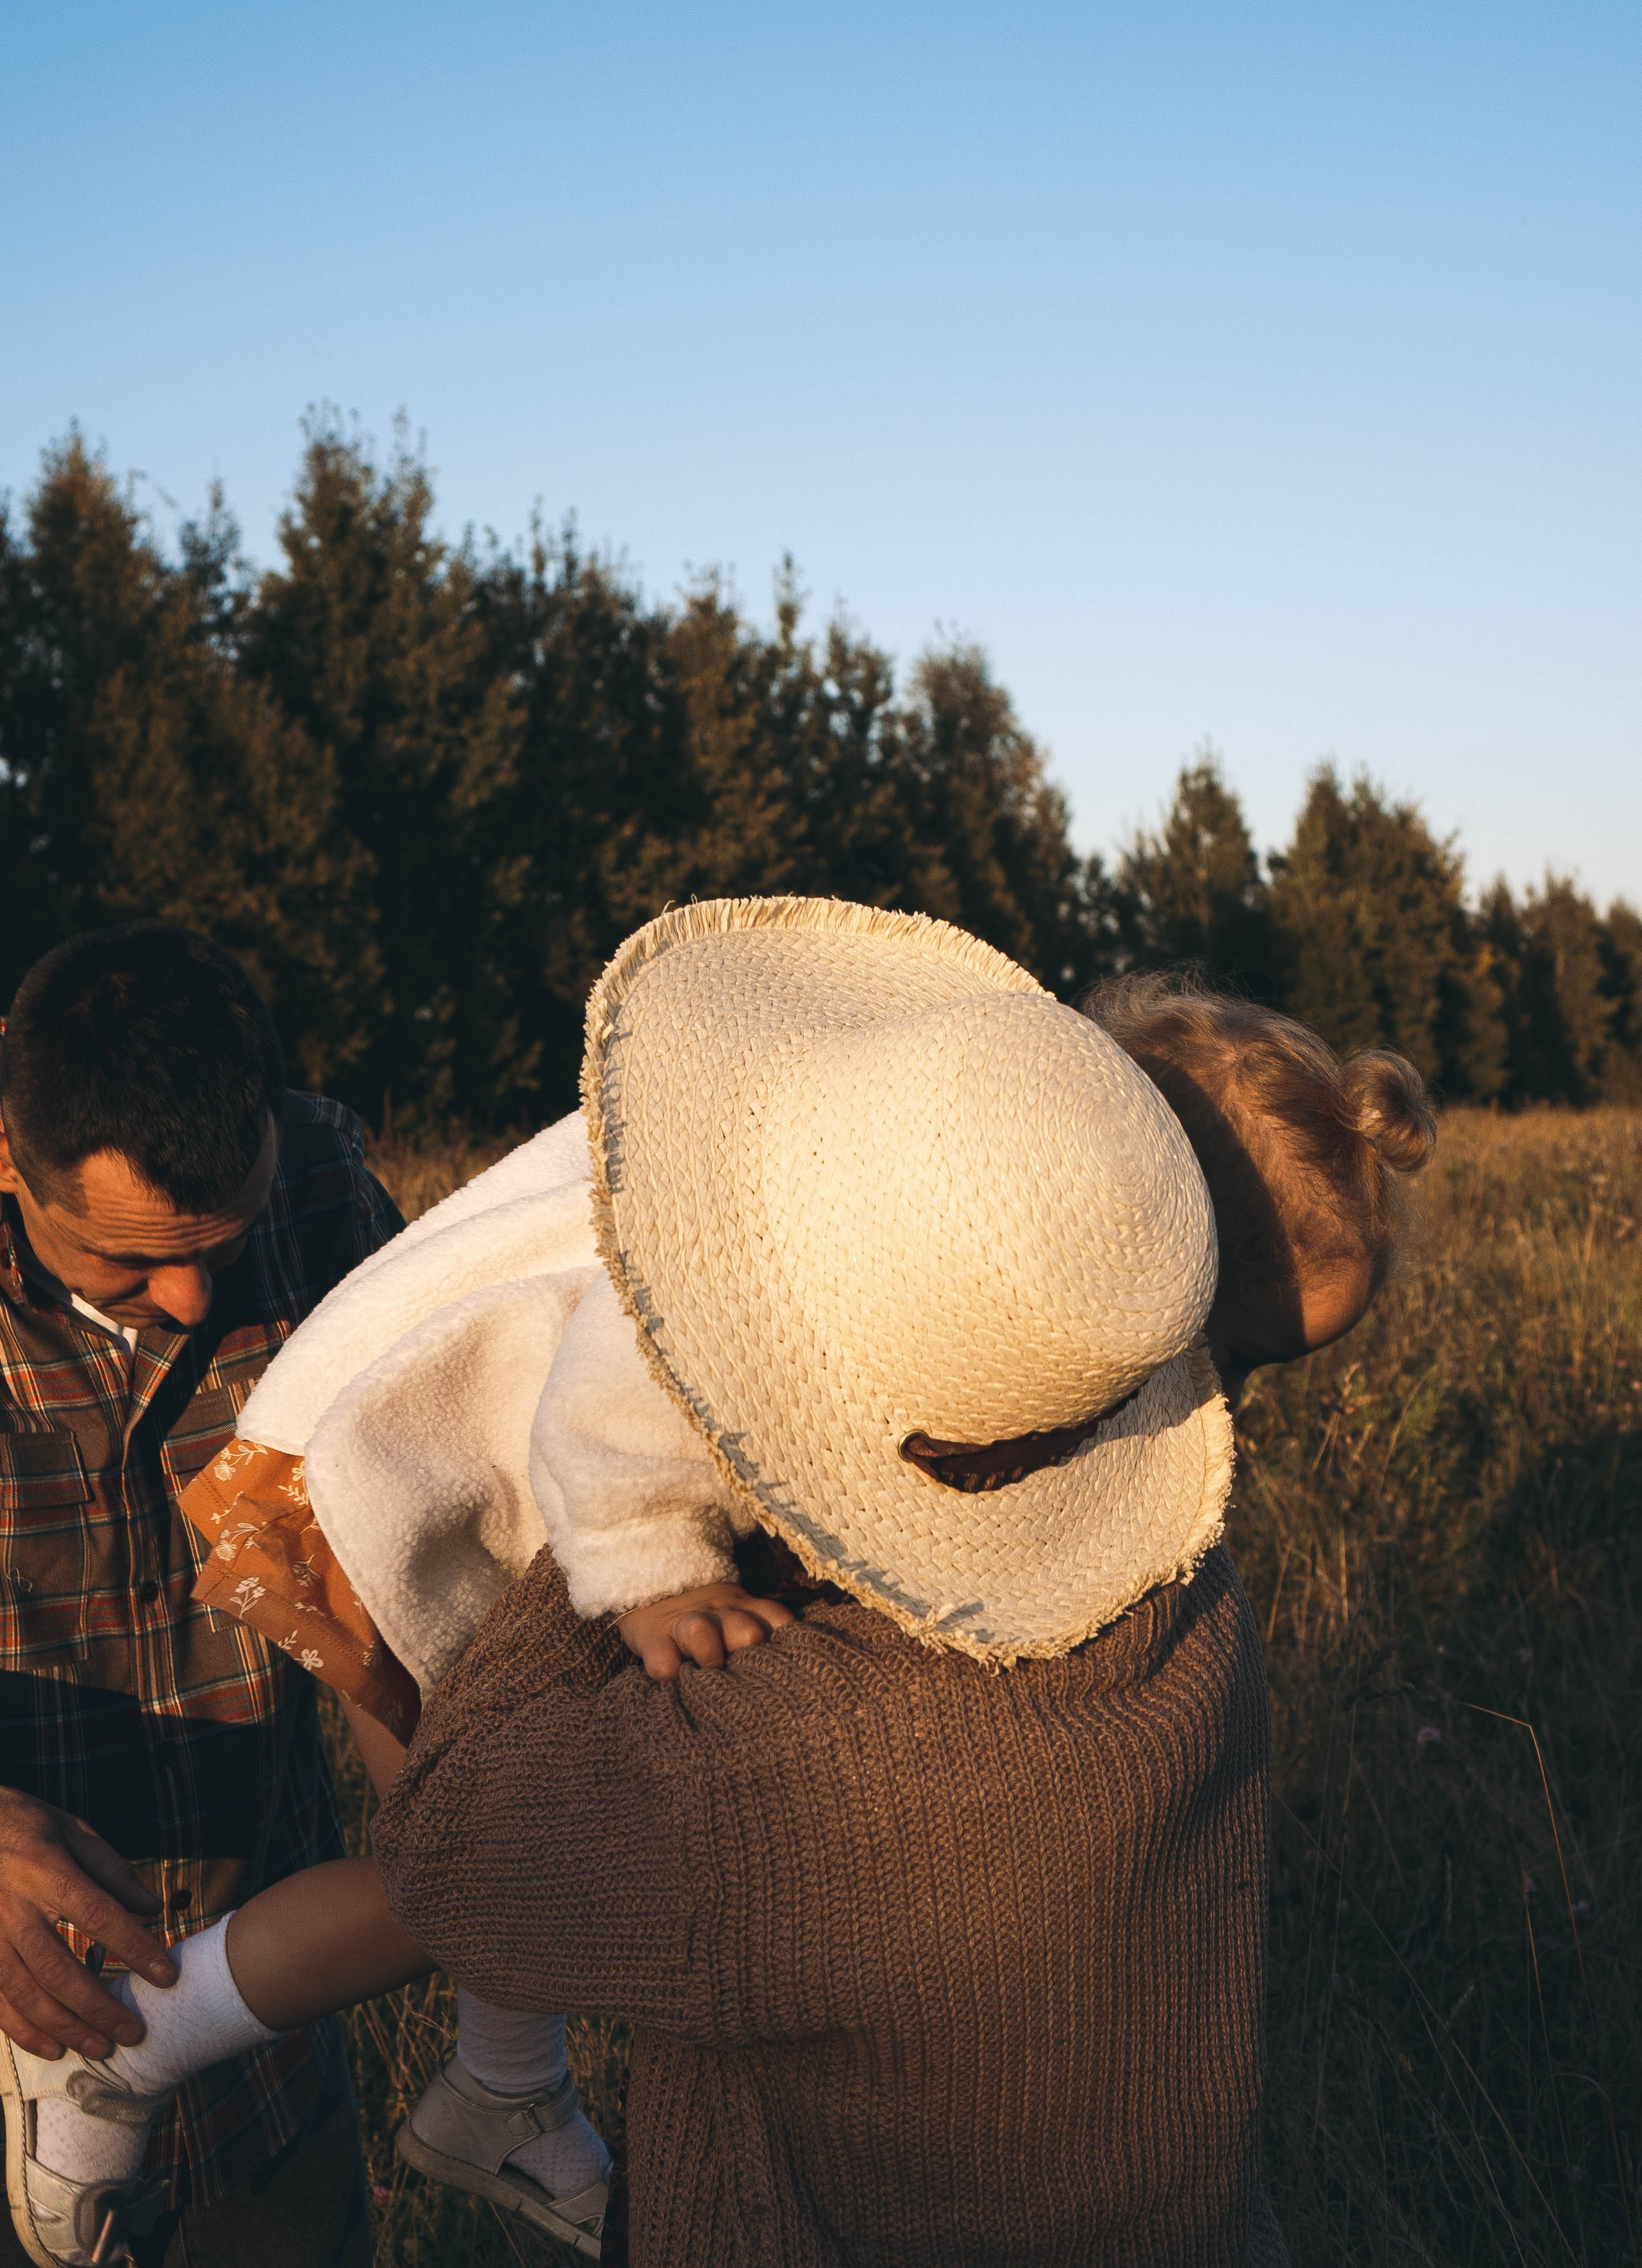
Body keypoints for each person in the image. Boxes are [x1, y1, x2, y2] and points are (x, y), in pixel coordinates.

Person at [19, 901, 1435, 2267]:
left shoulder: (367, 1174)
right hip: (366, 1567)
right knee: (444, 1843)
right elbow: (556, 1454)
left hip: (290, 2063)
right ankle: (237, 2056)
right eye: (126, 1266)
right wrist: (640, 1576)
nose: (197, 1302)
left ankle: (490, 2078)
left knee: (451, 1853)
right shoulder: (721, 1296)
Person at [0, 925, 406, 2268]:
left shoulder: (333, 1187)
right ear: (12, 1156)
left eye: (220, 1245)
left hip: (260, 2082)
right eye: (125, 1260)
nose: (187, 1297)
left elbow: (431, 1514)